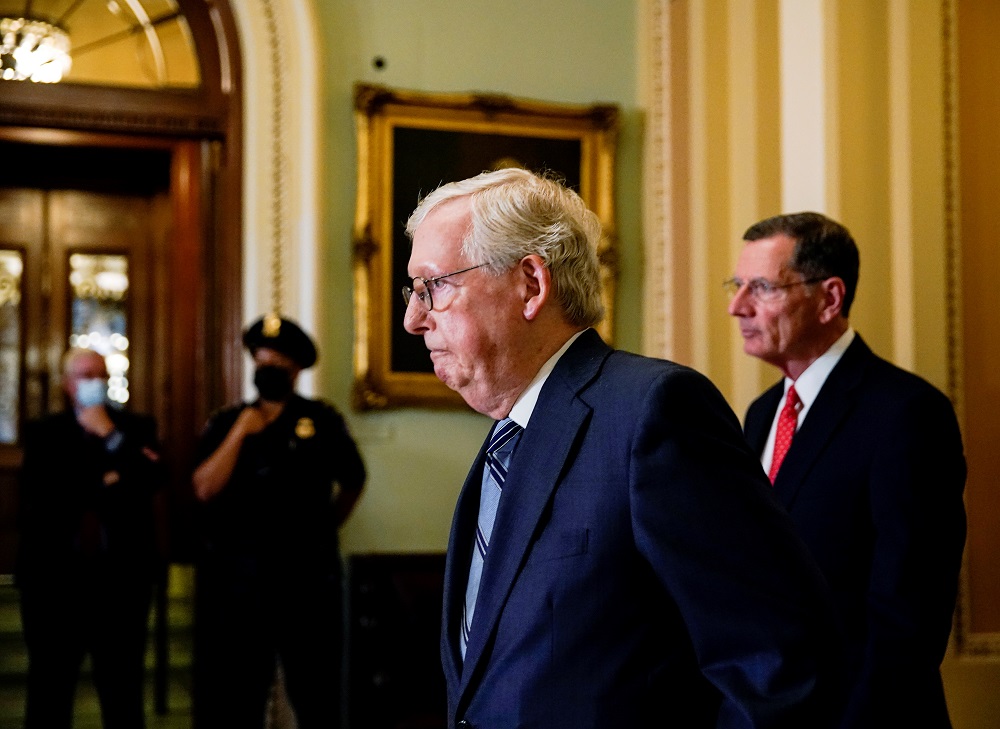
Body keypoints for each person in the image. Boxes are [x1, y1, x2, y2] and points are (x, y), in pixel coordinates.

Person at [402, 167, 844, 728]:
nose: (414, 319)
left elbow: (773, 663)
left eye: (434, 286)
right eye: (413, 291)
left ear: (531, 285)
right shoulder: (506, 439)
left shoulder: (654, 413)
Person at [726, 211, 967, 728]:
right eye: (738, 285)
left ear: (829, 298)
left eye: (761, 288)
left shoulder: (907, 414)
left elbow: (909, 617)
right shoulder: (762, 414)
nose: (737, 307)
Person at [191, 314, 366, 729]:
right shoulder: (226, 421)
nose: (269, 368)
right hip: (240, 586)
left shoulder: (322, 421)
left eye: (279, 362)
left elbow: (353, 481)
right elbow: (203, 488)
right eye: (262, 360)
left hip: (307, 583)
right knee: (236, 700)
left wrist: (325, 528)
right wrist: (241, 433)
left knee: (318, 696)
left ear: (297, 368)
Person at [15, 348, 164, 729]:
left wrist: (111, 438)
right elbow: (44, 495)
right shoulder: (43, 432)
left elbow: (151, 480)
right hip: (54, 583)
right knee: (50, 691)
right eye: (84, 375)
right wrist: (112, 479)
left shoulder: (136, 428)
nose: (94, 381)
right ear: (67, 385)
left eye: (100, 374)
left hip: (121, 582)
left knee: (123, 693)